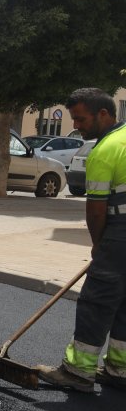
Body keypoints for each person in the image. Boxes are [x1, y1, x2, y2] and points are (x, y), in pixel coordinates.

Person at [37, 88, 126, 392]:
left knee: (97, 300)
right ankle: (120, 369)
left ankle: (78, 371)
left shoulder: (104, 150)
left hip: (120, 231)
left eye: (81, 119)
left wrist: (99, 244)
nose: (76, 126)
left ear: (104, 114)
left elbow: (96, 210)